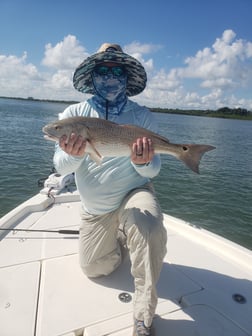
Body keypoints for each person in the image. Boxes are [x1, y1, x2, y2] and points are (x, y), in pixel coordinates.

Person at [53, 43, 167, 336]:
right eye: (103, 70)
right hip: (97, 209)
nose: (110, 76)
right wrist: (74, 153)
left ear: (127, 77)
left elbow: (154, 170)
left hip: (134, 192)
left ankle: (143, 317)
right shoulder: (75, 114)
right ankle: (120, 238)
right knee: (94, 268)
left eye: (117, 70)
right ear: (92, 76)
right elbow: (60, 166)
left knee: (147, 225)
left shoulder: (141, 116)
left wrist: (143, 162)